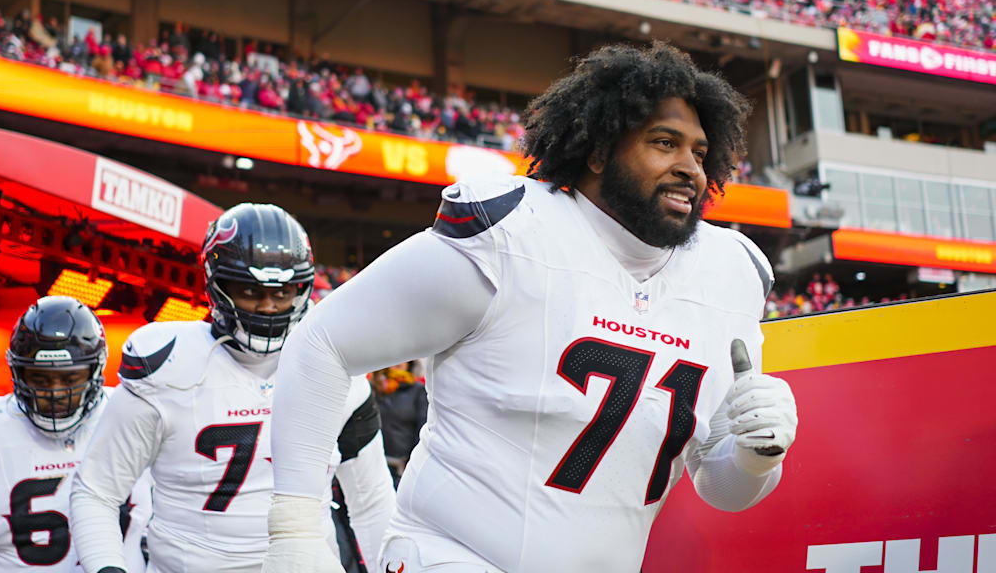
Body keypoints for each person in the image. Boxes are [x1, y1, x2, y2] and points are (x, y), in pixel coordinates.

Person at [261, 42, 799, 572]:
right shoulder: (512, 235)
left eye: (700, 153)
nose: (690, 168)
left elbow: (720, 486)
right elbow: (323, 342)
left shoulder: (729, 273)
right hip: (455, 555)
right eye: (665, 143)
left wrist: (756, 457)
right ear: (598, 150)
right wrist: (297, 531)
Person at [70, 203, 395, 573]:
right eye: (250, 290)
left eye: (283, 291)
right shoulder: (166, 367)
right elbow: (97, 491)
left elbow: (371, 501)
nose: (269, 306)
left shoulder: (336, 365)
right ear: (217, 284)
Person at [0, 296, 150, 572]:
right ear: (18, 373)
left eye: (69, 378)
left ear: (95, 371)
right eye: (39, 378)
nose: (55, 392)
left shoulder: (134, 416)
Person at [368, 362, 427, 484]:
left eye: (404, 358)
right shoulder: (372, 388)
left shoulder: (418, 391)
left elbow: (423, 429)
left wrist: (413, 463)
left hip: (403, 471)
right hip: (371, 467)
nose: (399, 362)